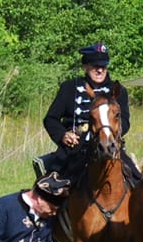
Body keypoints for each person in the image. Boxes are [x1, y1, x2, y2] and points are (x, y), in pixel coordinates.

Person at [38, 43, 133, 184]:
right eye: (95, 66)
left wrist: (109, 135)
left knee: (136, 180)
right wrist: (63, 135)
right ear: (85, 66)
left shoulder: (118, 91)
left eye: (103, 66)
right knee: (48, 189)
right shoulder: (69, 88)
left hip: (109, 146)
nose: (100, 70)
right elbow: (51, 119)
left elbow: (124, 121)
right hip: (74, 149)